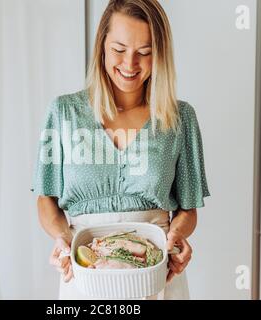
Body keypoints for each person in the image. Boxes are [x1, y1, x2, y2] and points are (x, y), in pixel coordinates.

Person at [31, 0, 210, 300]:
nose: (130, 64)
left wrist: (177, 235)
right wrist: (63, 238)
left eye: (144, 53)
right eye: (119, 49)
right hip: (85, 270)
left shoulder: (180, 119)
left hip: (156, 273)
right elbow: (45, 199)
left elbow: (188, 209)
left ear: (160, 55)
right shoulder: (63, 113)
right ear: (101, 45)